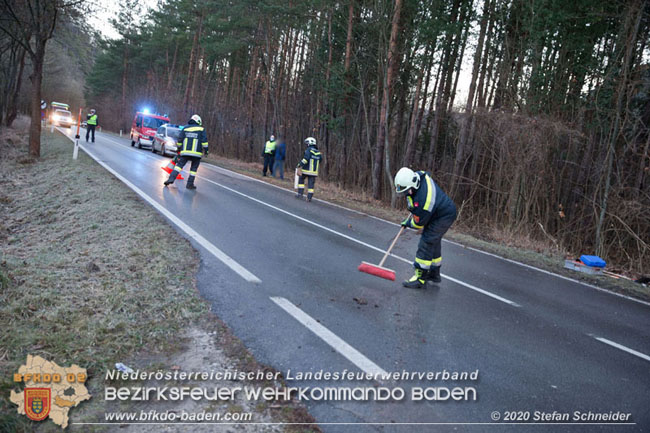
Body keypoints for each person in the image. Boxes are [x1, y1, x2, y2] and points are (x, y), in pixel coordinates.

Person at [394, 167, 457, 289]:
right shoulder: (418, 177)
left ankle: (420, 278)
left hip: (443, 215)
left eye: (406, 191)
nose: (405, 194)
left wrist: (408, 223)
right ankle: (434, 273)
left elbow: (418, 224)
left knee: (427, 241)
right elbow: (415, 203)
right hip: (437, 211)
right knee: (434, 240)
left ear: (412, 186)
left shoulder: (424, 201)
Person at [164, 114, 208, 190]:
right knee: (193, 170)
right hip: (197, 154)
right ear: (198, 121)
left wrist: (179, 149)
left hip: (185, 152)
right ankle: (189, 184)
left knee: (178, 166)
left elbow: (180, 140)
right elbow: (204, 142)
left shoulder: (185, 128)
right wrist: (206, 151)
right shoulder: (201, 129)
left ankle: (171, 179)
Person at [295, 137, 322, 202]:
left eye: (307, 143)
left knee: (301, 180)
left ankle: (300, 194)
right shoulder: (318, 152)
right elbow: (320, 160)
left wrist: (300, 165)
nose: (307, 144)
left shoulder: (308, 150)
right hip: (314, 172)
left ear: (310, 143)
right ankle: (309, 198)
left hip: (306, 170)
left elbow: (305, 159)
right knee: (311, 185)